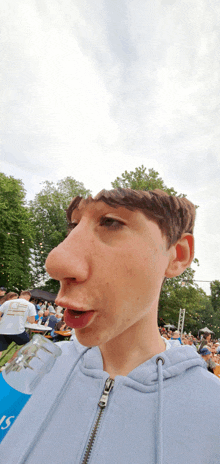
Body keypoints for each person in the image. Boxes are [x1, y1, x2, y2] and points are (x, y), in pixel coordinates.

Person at [1, 188, 220, 464]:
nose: (55, 263)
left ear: (177, 254)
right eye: (74, 226)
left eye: (110, 222)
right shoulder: (35, 369)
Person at [0, 290, 36, 358]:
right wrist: (26, 316)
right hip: (17, 331)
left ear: (20, 296)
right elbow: (32, 321)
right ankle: (8, 364)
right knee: (29, 344)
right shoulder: (30, 305)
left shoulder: (7, 302)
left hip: (3, 330)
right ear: (29, 297)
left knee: (0, 349)